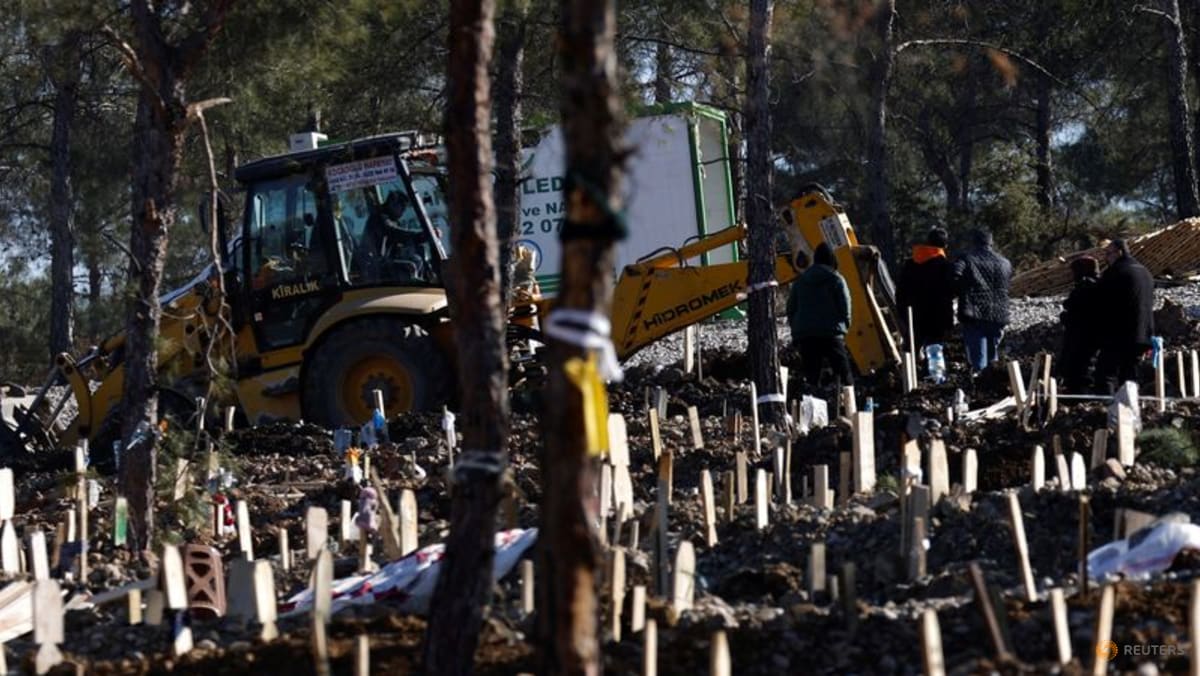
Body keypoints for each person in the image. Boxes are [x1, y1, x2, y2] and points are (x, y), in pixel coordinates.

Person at [787, 243, 854, 391]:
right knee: (844, 374)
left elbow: (791, 308)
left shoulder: (801, 281)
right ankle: (848, 404)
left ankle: (812, 404)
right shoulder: (836, 279)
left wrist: (797, 329)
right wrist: (844, 326)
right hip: (831, 333)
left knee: (812, 376)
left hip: (806, 334)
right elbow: (845, 306)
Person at [1094, 239, 1155, 393]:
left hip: (1120, 333)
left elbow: (1101, 301)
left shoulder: (1116, 272)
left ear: (1119, 252)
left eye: (1108, 254)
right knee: (1130, 375)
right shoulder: (1145, 271)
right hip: (1143, 332)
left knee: (1105, 373)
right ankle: (1131, 409)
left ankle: (1107, 409)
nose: (1106, 258)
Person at [952, 228, 1012, 374]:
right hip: (999, 313)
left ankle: (978, 388)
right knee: (993, 358)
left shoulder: (966, 258)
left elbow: (954, 274)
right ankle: (993, 388)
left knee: (977, 358)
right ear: (991, 243)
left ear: (974, 242)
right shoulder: (1005, 262)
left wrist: (960, 291)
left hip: (974, 313)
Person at [896, 227, 955, 351]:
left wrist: (901, 315)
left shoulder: (910, 264)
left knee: (911, 351)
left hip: (913, 317)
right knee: (935, 354)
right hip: (936, 319)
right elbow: (946, 298)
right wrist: (949, 324)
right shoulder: (945, 267)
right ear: (945, 245)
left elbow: (900, 292)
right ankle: (934, 371)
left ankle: (909, 369)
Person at [1059, 256, 1102, 393]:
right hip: (1090, 334)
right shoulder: (1099, 285)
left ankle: (1078, 393)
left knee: (1079, 366)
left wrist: (1066, 317)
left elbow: (1077, 311)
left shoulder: (1085, 286)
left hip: (1081, 335)